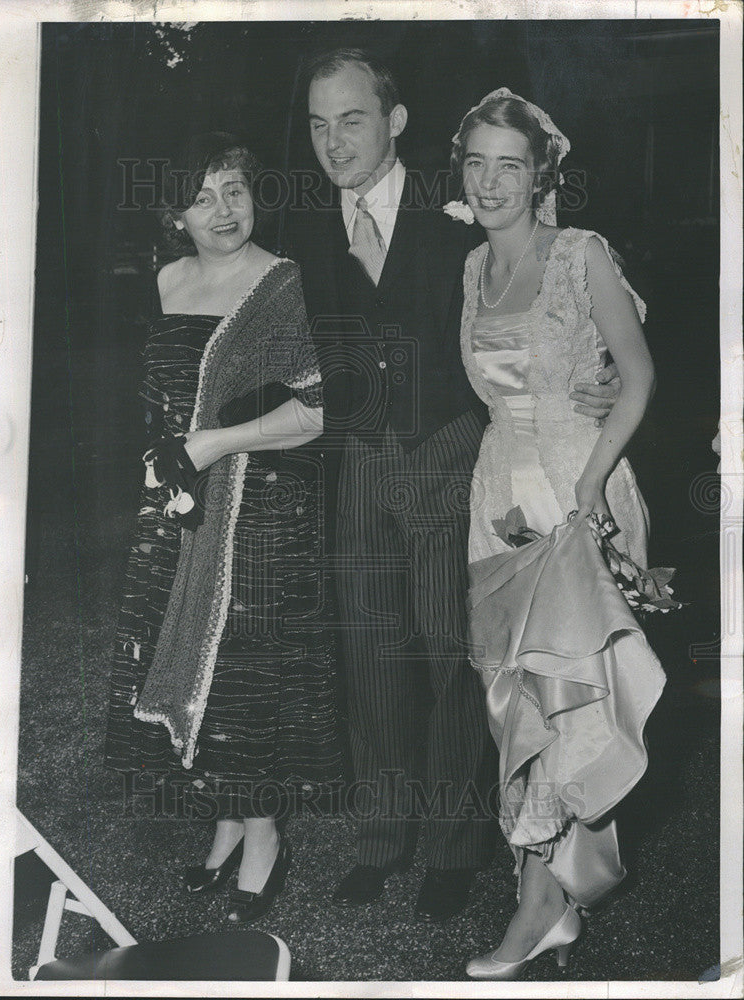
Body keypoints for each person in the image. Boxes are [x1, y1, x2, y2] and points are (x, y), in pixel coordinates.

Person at [289, 49, 620, 922]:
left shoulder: (460, 225)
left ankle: (450, 846)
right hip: (356, 469)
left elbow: (552, 313)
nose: (335, 141)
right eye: (319, 124)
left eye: (352, 118)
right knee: (370, 661)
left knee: (447, 659)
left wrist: (603, 379)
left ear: (393, 121)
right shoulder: (306, 236)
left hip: (446, 461)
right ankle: (380, 840)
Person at [104, 132, 342, 925]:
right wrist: (163, 459)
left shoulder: (281, 283)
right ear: (175, 214)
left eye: (234, 190)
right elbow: (159, 403)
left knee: (243, 682)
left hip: (262, 515)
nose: (223, 210)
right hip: (177, 513)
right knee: (183, 671)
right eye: (201, 197)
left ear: (256, 194)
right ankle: (228, 818)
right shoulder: (166, 280)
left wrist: (214, 443)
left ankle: (264, 835)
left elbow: (315, 411)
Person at [455, 89, 666, 979]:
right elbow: (492, 396)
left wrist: (586, 478)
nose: (493, 180)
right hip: (497, 496)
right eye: (477, 163)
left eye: (511, 164)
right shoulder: (471, 267)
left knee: (565, 703)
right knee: (513, 711)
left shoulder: (581, 255)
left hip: (579, 491)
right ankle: (553, 900)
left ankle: (538, 908)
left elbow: (642, 376)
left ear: (541, 174)